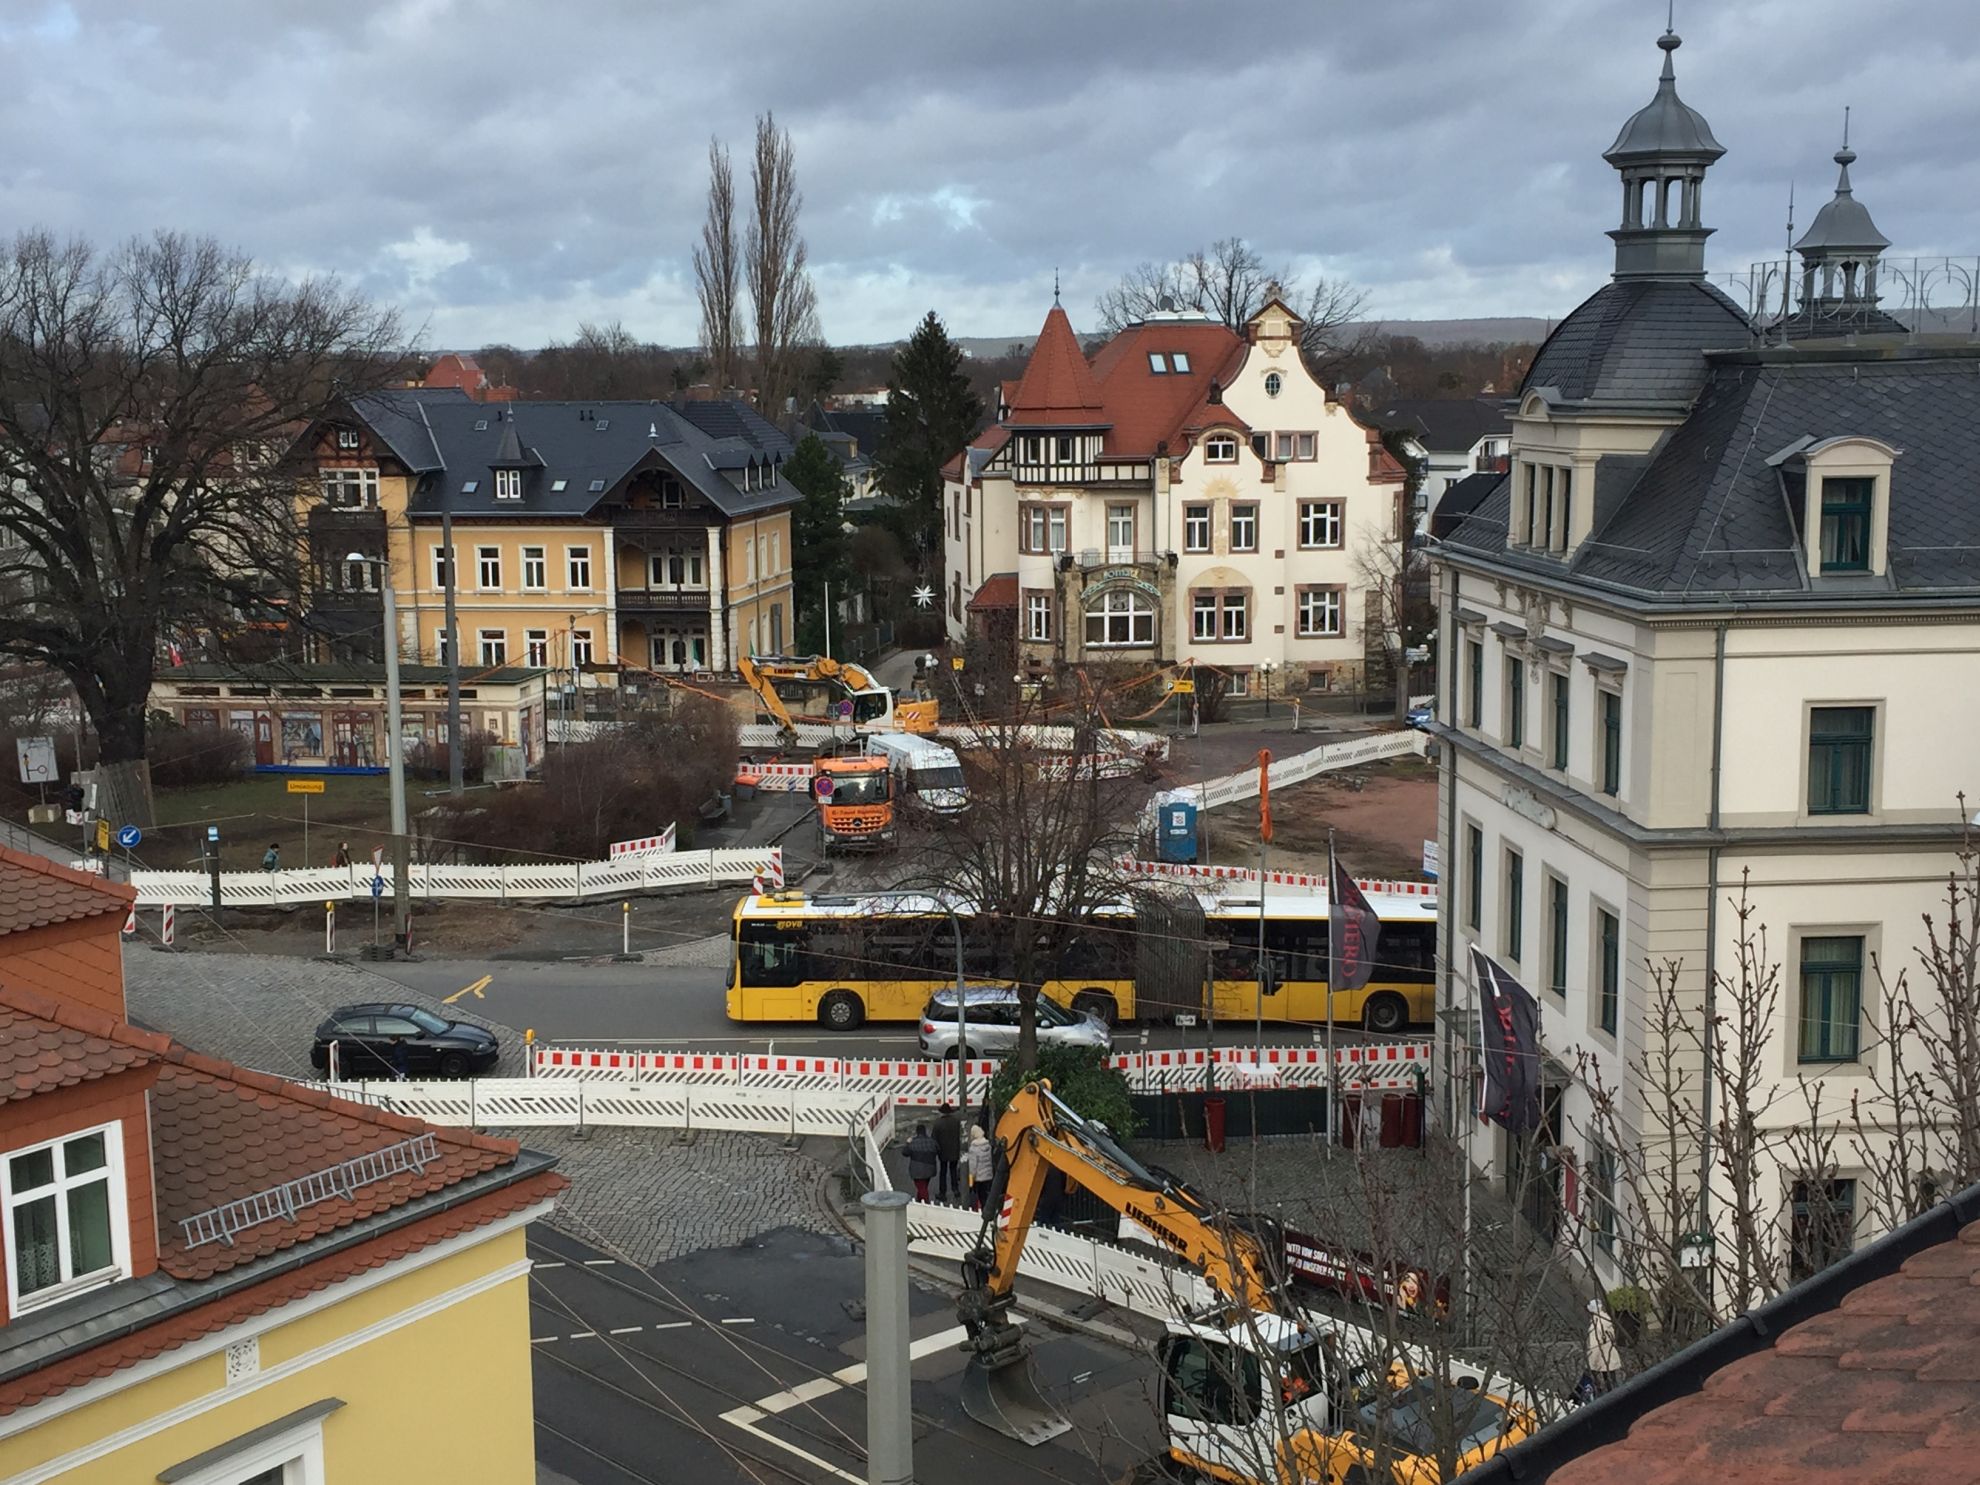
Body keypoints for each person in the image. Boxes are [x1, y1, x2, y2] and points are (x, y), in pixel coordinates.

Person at [1585, 1297, 1621, 1396]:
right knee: (1610, 1377)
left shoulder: (1596, 1325)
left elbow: (1594, 1345)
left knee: (1599, 1380)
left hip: (1601, 1355)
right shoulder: (1606, 1319)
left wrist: (1592, 1362)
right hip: (1609, 1351)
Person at [932, 1103, 963, 1203]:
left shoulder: (938, 1123)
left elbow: (934, 1139)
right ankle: (955, 1189)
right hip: (955, 1150)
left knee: (943, 1172)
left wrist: (936, 1151)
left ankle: (943, 1192)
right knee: (953, 1170)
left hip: (943, 1152)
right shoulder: (956, 1121)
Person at [903, 1123, 940, 1202]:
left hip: (917, 1170)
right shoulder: (932, 1141)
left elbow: (905, 1153)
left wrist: (907, 1143)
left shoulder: (913, 1142)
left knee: (922, 1188)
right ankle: (919, 1201)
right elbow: (938, 1150)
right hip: (930, 1169)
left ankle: (926, 1204)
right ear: (925, 1131)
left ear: (917, 1132)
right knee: (923, 1186)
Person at [966, 1123, 994, 1212]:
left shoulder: (974, 1148)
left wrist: (971, 1182)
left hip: (979, 1177)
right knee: (987, 1194)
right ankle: (988, 1209)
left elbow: (972, 1167)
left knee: (979, 1195)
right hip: (988, 1175)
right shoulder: (987, 1145)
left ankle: (980, 1211)